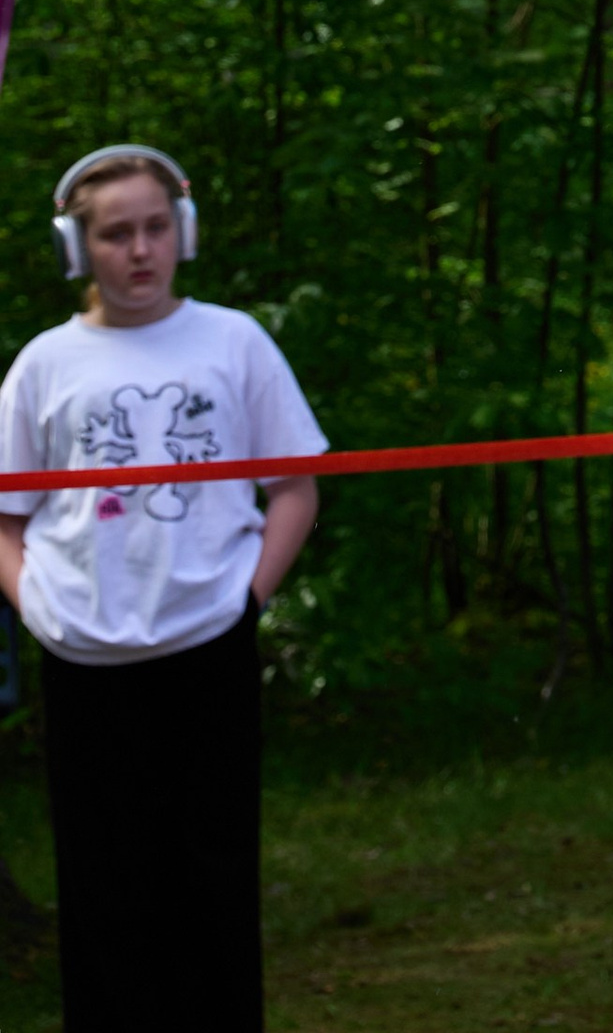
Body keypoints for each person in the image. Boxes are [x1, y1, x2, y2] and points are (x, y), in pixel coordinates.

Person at [0, 144, 325, 1033]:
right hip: (84, 657)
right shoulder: (42, 365)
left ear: (181, 231)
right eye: (115, 234)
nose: (138, 251)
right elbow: (5, 517)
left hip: (205, 647)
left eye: (153, 229)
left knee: (213, 872)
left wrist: (245, 603)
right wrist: (37, 606)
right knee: (103, 881)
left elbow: (296, 486)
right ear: (79, 249)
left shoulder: (235, 341)